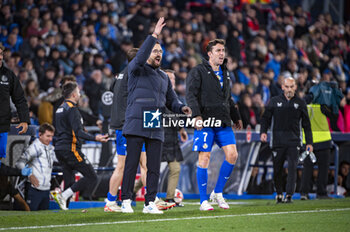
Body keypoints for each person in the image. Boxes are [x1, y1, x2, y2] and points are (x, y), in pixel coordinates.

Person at [120, 17, 191, 214]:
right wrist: (154, 36)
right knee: (132, 164)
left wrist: (182, 109)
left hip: (154, 122)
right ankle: (125, 200)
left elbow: (172, 100)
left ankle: (149, 202)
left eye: (161, 51)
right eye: (155, 51)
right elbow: (141, 55)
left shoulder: (163, 77)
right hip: (136, 120)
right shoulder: (136, 68)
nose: (159, 53)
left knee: (153, 167)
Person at [186, 39, 242, 211]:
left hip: (223, 121)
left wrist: (236, 116)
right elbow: (191, 95)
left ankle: (217, 193)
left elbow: (228, 98)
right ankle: (203, 201)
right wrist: (196, 115)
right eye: (218, 50)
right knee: (204, 158)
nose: (221, 53)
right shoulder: (198, 71)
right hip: (206, 122)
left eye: (223, 50)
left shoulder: (225, 72)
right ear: (209, 53)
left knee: (232, 155)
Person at [51, 82, 109, 210]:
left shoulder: (60, 109)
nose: (79, 94)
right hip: (70, 148)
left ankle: (64, 209)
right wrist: (96, 138)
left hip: (59, 148)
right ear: (73, 95)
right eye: (78, 92)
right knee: (91, 176)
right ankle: (63, 195)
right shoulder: (72, 109)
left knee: (69, 179)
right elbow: (78, 133)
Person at [104, 48, 148, 212]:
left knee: (122, 166)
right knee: (144, 164)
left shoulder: (120, 74)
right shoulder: (135, 74)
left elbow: (112, 90)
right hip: (130, 125)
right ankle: (151, 200)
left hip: (120, 125)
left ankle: (110, 201)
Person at [260, 77, 313, 203]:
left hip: (294, 142)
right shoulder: (274, 101)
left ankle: (289, 195)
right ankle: (279, 193)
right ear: (282, 87)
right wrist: (263, 132)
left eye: (291, 87)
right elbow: (265, 118)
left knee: (292, 168)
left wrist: (309, 142)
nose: (289, 89)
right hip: (277, 141)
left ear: (295, 87)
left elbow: (306, 124)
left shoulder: (300, 103)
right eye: (287, 87)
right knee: (277, 169)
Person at [0, 43, 30, 167]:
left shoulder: (8, 75)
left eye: (0, 54)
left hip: (2, 125)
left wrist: (24, 120)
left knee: (0, 158)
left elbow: (20, 99)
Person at [16, 123, 56, 211]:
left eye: (51, 136)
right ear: (40, 135)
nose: (50, 139)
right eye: (48, 136)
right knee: (30, 218)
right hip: (34, 189)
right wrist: (30, 175)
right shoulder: (34, 147)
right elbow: (19, 163)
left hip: (46, 189)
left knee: (43, 219)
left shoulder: (50, 148)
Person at [162, 69, 188, 206]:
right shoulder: (159, 94)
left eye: (173, 79)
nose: (171, 81)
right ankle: (131, 192)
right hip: (158, 137)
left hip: (171, 137)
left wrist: (181, 129)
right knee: (149, 170)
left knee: (175, 168)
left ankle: (170, 198)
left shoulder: (175, 97)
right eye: (168, 78)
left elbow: (176, 116)